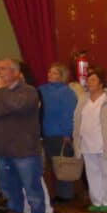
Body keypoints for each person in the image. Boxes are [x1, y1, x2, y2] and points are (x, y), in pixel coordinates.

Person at [0, 58, 46, 213]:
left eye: (3, 69)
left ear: (15, 72)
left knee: (33, 194)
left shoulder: (28, 91)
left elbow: (18, 105)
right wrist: (3, 105)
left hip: (24, 152)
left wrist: (1, 94)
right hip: (2, 152)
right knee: (9, 195)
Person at [72, 69, 107, 212]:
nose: (89, 83)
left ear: (101, 83)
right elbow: (77, 120)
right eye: (88, 80)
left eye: (93, 80)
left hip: (105, 143)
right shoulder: (83, 100)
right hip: (86, 143)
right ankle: (97, 201)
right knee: (92, 173)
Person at [38, 63, 78, 201]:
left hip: (60, 135)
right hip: (44, 134)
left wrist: (67, 133)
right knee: (49, 167)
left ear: (62, 76)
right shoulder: (41, 90)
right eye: (49, 72)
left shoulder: (67, 92)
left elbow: (68, 115)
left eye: (55, 73)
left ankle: (66, 196)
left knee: (62, 165)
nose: (50, 75)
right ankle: (53, 194)